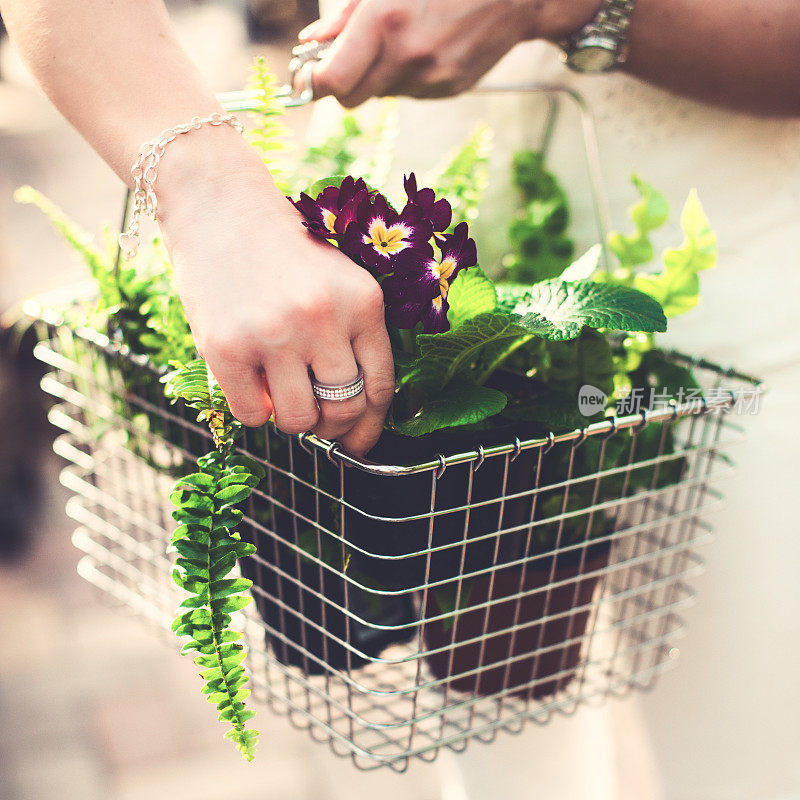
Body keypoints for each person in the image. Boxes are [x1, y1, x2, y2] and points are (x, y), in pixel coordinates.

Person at [2, 1, 799, 796]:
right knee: (501, 746)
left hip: (743, 269)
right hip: (424, 254)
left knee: (748, 753)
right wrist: (207, 193)